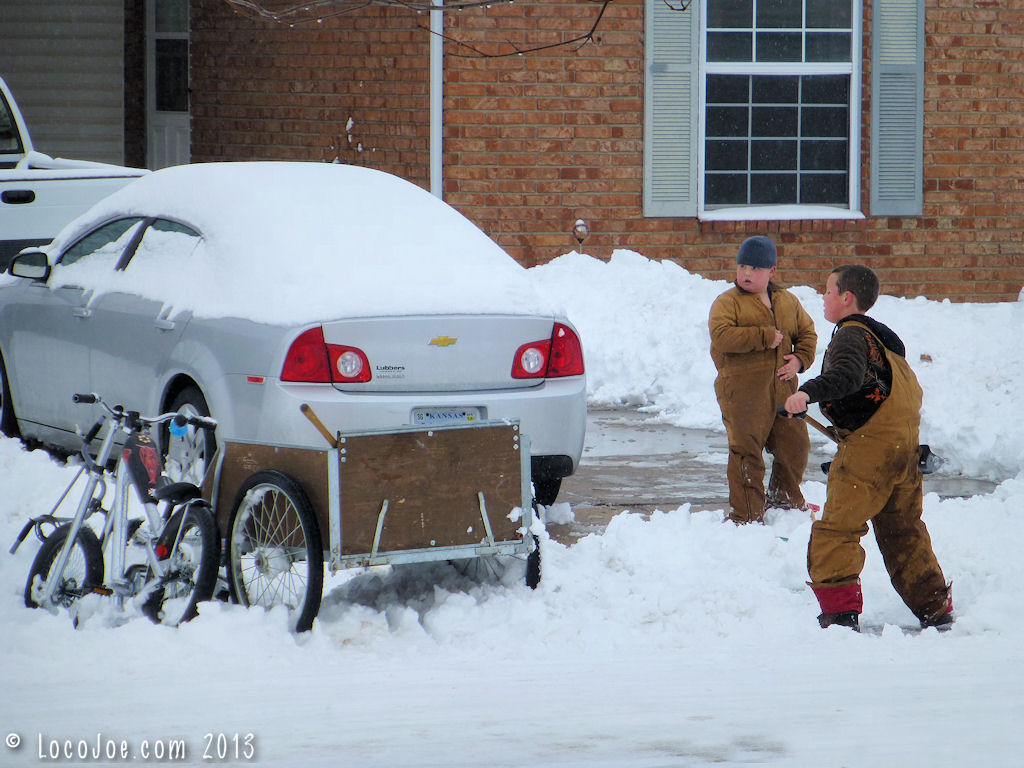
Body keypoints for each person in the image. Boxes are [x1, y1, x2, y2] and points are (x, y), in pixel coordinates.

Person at [783, 265, 953, 631]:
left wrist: (805, 394)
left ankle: (840, 616)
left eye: (828, 290)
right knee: (903, 531)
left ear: (846, 298)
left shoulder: (850, 336)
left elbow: (844, 377)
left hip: (870, 456)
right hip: (904, 450)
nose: (823, 296)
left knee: (837, 530)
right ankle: (935, 609)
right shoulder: (885, 343)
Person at [709, 235, 817, 524]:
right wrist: (763, 336)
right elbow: (721, 336)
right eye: (742, 266)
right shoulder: (727, 303)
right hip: (742, 393)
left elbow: (807, 333)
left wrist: (799, 359)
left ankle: (783, 501)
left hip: (783, 390)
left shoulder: (787, 301)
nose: (746, 273)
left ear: (772, 271)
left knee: (795, 446)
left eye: (755, 268)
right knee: (747, 453)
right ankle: (746, 515)